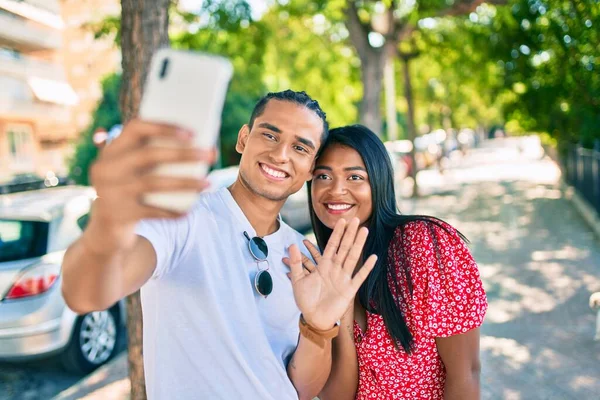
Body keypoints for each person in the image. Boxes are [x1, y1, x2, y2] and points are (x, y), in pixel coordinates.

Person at [61, 91, 377, 400]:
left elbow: (302, 390)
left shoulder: (304, 257)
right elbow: (85, 292)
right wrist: (108, 222)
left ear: (310, 169)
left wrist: (317, 327)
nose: (281, 155)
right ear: (243, 139)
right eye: (269, 135)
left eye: (300, 147)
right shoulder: (179, 220)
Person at [301, 125, 488, 399]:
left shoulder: (425, 245)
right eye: (323, 176)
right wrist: (339, 313)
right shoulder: (314, 270)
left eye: (354, 177)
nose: (336, 190)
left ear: (378, 182)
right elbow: (339, 396)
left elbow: (466, 373)